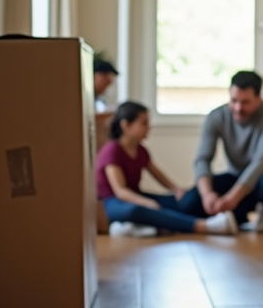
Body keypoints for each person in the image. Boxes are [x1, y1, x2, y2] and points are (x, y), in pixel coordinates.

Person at [97, 101, 238, 237]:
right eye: (144, 123)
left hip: (134, 195)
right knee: (137, 210)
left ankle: (138, 228)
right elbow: (120, 191)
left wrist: (175, 189)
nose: (149, 127)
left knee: (176, 203)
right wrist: (145, 202)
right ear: (126, 126)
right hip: (111, 203)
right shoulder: (112, 150)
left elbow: (157, 174)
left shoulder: (140, 150)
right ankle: (204, 227)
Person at [178, 70, 263, 232]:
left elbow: (262, 162)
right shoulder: (216, 117)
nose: (238, 108)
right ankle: (238, 216)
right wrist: (207, 195)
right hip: (235, 176)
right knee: (189, 203)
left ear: (259, 98)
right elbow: (202, 159)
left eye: (245, 102)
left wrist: (232, 198)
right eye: (234, 100)